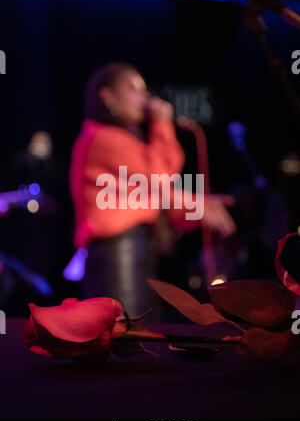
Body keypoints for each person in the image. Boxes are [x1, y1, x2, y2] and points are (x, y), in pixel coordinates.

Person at [70, 62, 236, 317]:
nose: (145, 98)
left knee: (146, 338)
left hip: (135, 250)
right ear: (107, 96)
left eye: (144, 90)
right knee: (130, 338)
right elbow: (158, 178)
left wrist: (199, 206)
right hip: (117, 254)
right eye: (133, 89)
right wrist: (161, 124)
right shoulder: (101, 138)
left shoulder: (124, 140)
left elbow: (152, 196)